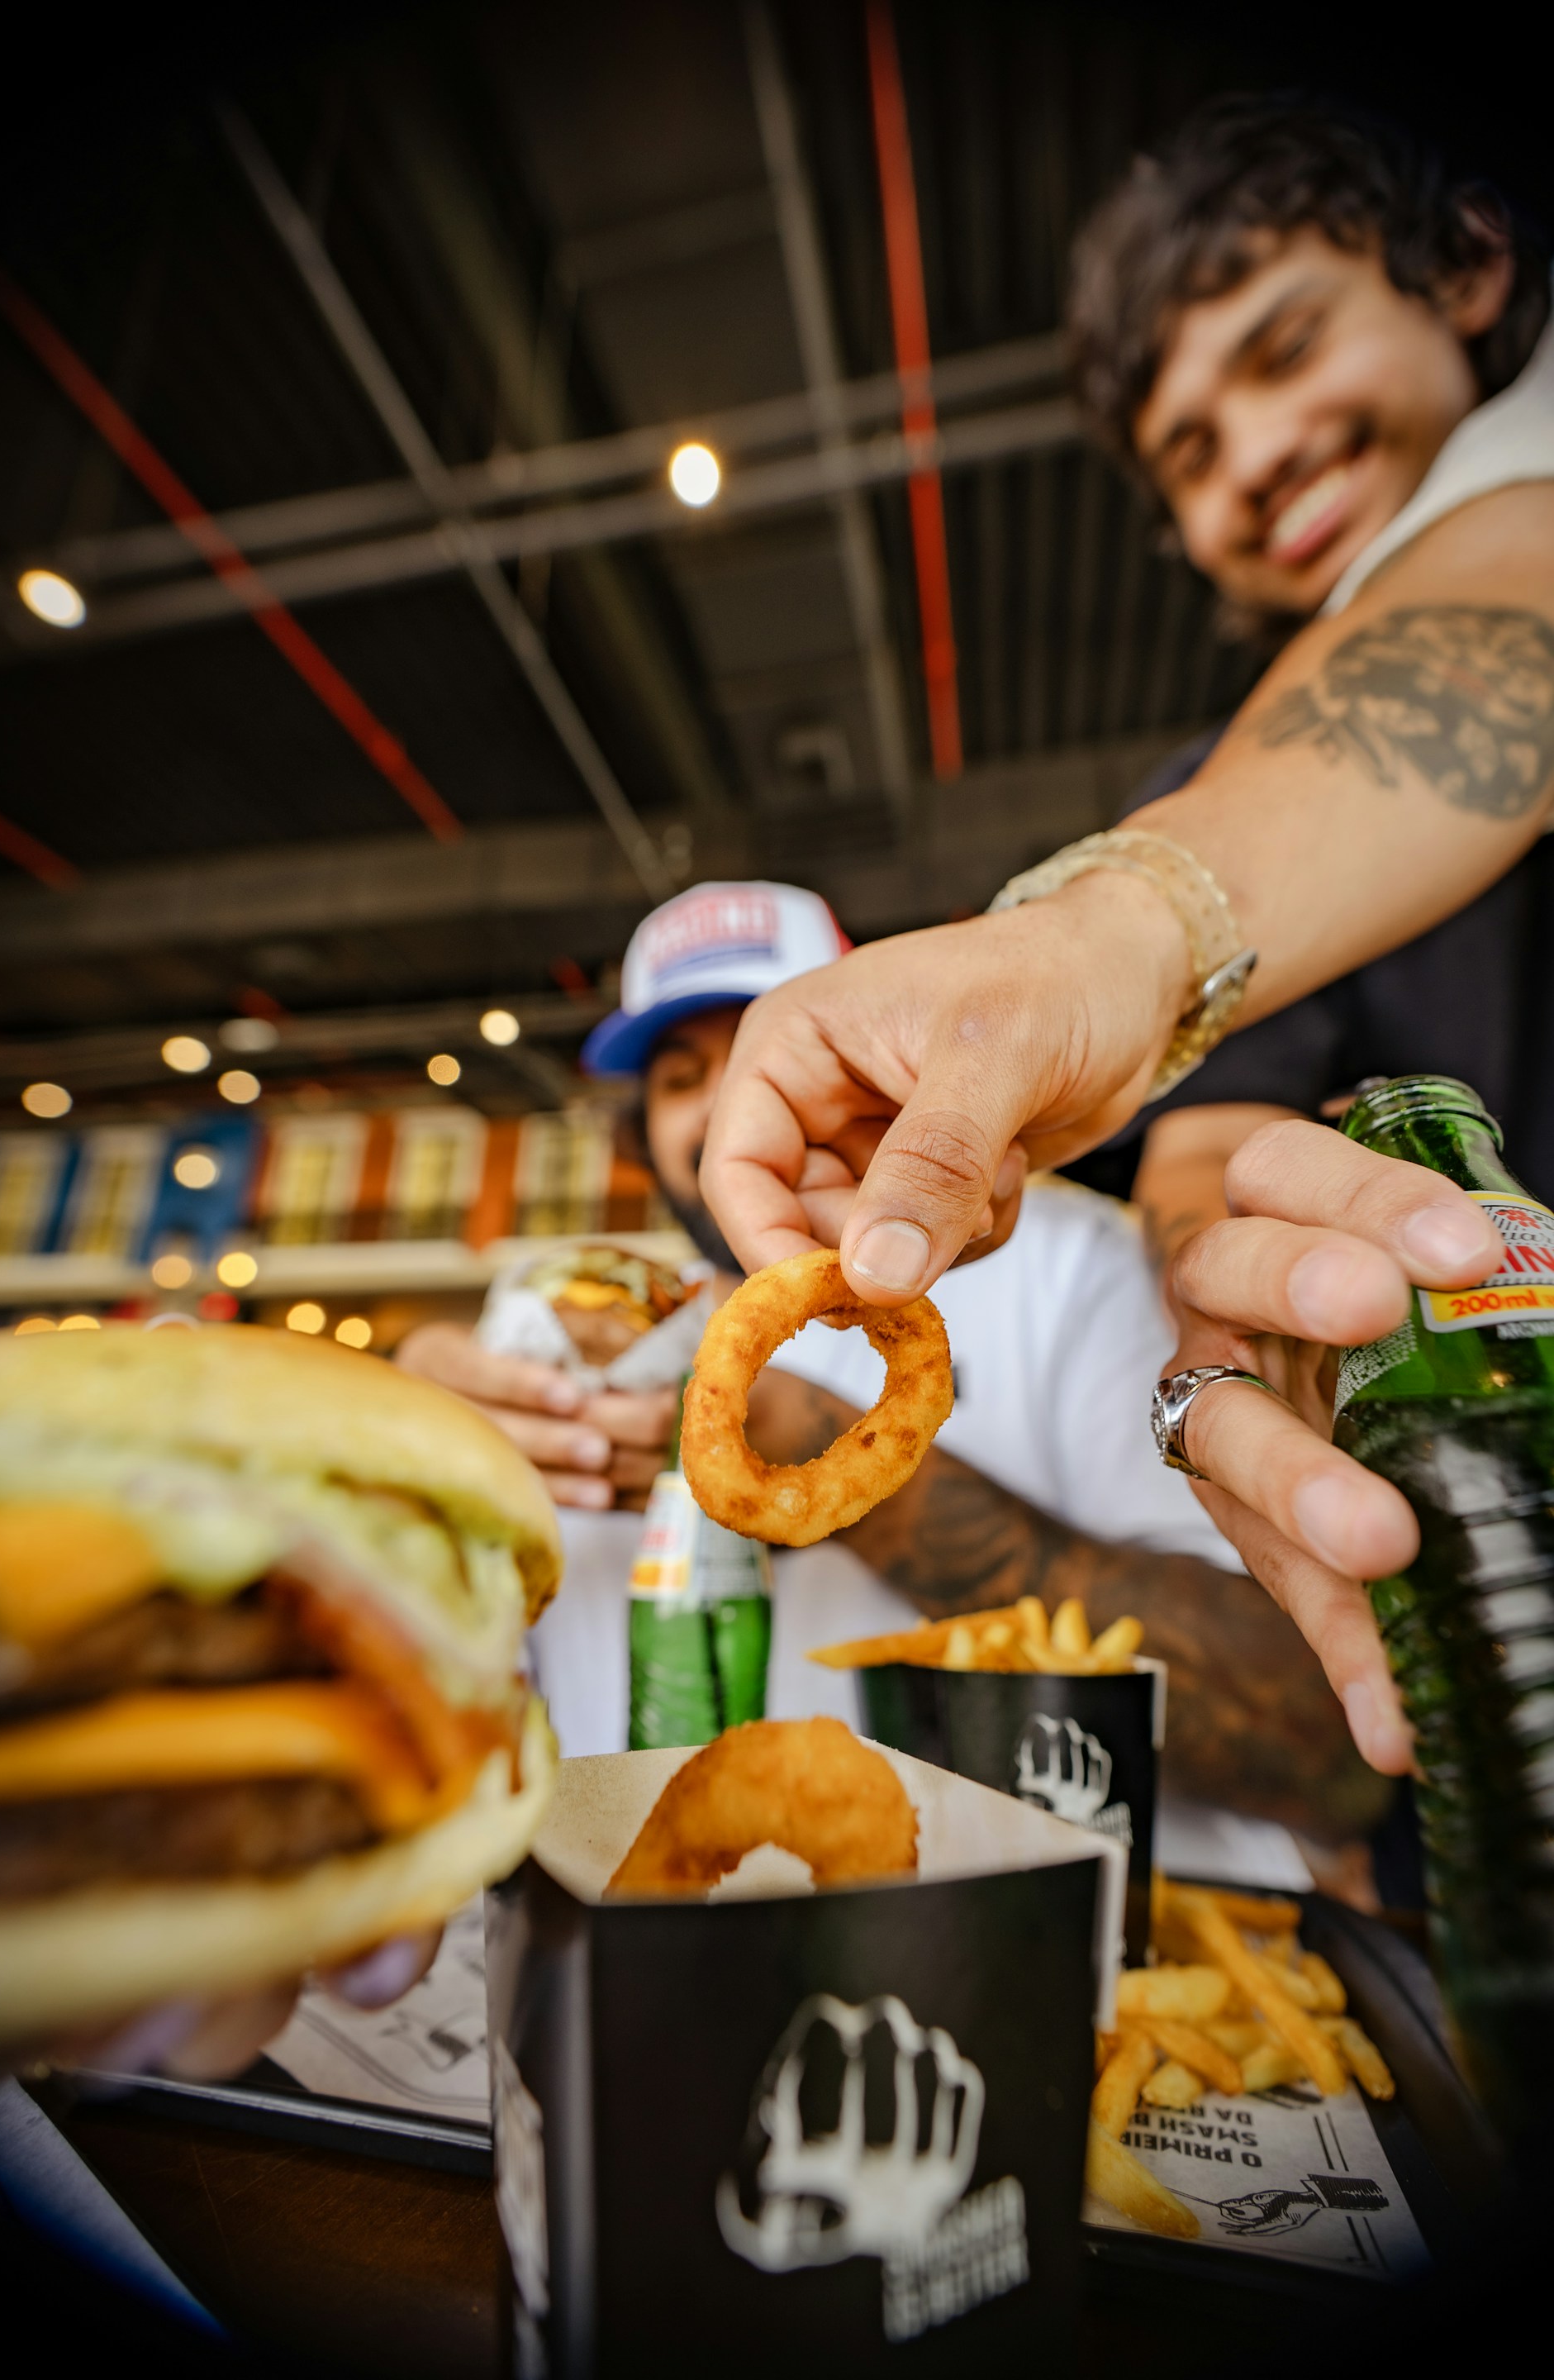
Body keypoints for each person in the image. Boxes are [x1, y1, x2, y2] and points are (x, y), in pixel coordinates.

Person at [697, 96, 1554, 1779]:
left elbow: (1496, 616)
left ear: (1467, 268)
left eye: (1286, 345)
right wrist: (1236, 1358)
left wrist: (1110, 929)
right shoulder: (1201, 782)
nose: (1250, 457)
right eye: (1187, 450)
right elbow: (1215, 1163)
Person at [400, 879, 1382, 1859]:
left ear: (875, 1053)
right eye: (679, 1075)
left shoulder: (1074, 1264)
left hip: (1056, 1950)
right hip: (662, 1929)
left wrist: (838, 1467)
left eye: (762, 1048)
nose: (724, 1104)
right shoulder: (551, 1327)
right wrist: (404, 1463)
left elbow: (1325, 1750)